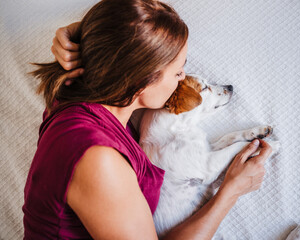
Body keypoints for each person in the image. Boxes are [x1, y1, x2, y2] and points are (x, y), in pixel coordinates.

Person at [23, 0, 273, 239]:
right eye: (177, 71)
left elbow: (114, 38)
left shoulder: (75, 92)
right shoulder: (98, 160)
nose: (182, 77)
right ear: (140, 80)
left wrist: (76, 32)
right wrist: (231, 190)